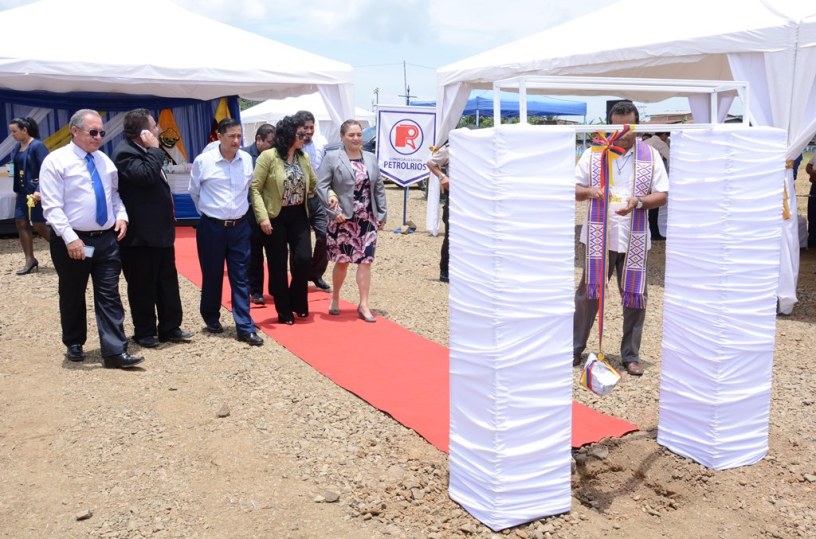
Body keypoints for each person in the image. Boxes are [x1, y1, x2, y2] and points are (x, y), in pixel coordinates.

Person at [39, 109, 144, 368]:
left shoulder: (104, 161)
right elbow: (52, 206)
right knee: (73, 292)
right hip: (73, 241)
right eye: (93, 132)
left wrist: (121, 216)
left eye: (101, 133)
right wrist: (70, 238)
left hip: (106, 240)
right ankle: (74, 342)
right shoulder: (56, 161)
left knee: (109, 294)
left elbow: (114, 196)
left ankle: (114, 351)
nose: (98, 137)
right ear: (74, 131)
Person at [573, 101, 669, 376]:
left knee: (635, 297)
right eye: (618, 127)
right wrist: (591, 192)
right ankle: (575, 347)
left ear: (636, 126)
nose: (624, 134)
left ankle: (631, 355)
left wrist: (638, 202)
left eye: (628, 128)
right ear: (609, 125)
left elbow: (663, 195)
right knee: (587, 295)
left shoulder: (650, 155)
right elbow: (573, 188)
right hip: (597, 236)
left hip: (634, 237)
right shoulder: (594, 154)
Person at [112, 108, 192, 348]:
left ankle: (170, 327)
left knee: (166, 282)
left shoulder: (145, 151)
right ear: (144, 132)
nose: (158, 130)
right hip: (140, 236)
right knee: (142, 286)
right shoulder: (125, 153)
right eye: (154, 126)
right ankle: (145, 331)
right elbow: (145, 176)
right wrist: (156, 148)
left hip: (160, 233)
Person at [189, 118, 263, 346]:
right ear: (219, 136)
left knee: (240, 276)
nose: (236, 140)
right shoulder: (204, 161)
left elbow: (249, 189)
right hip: (212, 226)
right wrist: (211, 212)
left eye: (239, 136)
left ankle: (244, 326)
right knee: (212, 274)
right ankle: (211, 317)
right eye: (231, 136)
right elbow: (195, 192)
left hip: (239, 226)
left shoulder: (247, 160)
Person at [317, 119, 387, 322]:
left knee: (365, 262)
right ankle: (336, 297)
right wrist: (333, 212)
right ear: (342, 137)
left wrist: (381, 214)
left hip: (367, 218)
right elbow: (322, 187)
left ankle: (364, 304)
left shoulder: (371, 158)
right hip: (342, 219)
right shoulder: (332, 158)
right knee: (342, 262)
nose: (356, 138)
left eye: (359, 134)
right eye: (351, 135)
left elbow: (379, 187)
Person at [250, 115, 317, 325]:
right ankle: (284, 309)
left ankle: (297, 300)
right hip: (275, 217)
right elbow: (255, 188)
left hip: (298, 215)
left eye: (305, 133)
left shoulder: (303, 157)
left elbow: (313, 182)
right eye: (300, 133)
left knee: (304, 260)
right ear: (289, 134)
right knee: (278, 265)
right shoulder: (268, 157)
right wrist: (262, 217)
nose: (305, 136)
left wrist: (320, 193)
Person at [294, 110, 331, 291]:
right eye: (305, 128)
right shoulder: (291, 145)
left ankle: (316, 273)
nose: (309, 131)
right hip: (297, 201)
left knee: (325, 236)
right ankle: (298, 278)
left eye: (311, 127)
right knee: (300, 244)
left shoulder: (321, 144)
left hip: (317, 198)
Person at [8, 117, 50, 275]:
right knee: (21, 222)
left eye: (14, 131)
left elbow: (46, 170)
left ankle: (62, 249)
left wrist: (39, 189)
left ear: (24, 130)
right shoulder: (19, 146)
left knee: (39, 225)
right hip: (22, 193)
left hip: (36, 192)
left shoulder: (37, 146)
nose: (12, 134)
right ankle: (30, 259)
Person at [241, 123, 276, 304]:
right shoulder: (245, 156)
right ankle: (256, 291)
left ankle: (275, 288)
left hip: (272, 211)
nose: (273, 145)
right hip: (251, 212)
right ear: (259, 140)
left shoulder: (276, 155)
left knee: (275, 252)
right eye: (270, 142)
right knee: (254, 254)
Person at [426, 142, 450, 283]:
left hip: (474, 196)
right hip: (454, 195)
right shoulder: (451, 148)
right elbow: (430, 162)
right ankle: (445, 270)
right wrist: (442, 177)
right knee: (450, 234)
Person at [644, 131, 671, 240]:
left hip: (640, 176)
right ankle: (654, 234)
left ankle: (650, 232)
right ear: (663, 134)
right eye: (667, 136)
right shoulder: (660, 143)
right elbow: (670, 157)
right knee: (654, 208)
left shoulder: (646, 141)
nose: (667, 138)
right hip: (651, 177)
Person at [807, 155, 816, 248]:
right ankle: (812, 241)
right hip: (815, 185)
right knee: (813, 214)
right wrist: (812, 173)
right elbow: (809, 165)